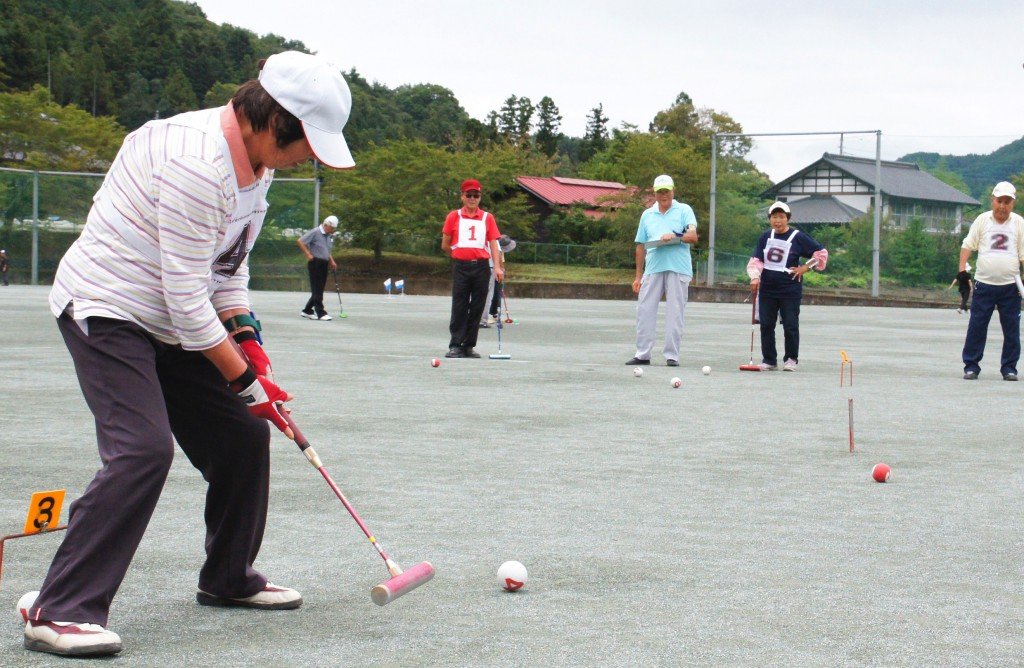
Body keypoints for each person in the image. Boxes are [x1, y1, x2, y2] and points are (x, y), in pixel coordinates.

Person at [24, 51, 355, 657]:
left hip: (176, 319)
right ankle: (60, 608)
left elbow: (227, 271)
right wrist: (247, 383)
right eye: (308, 143)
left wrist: (249, 343)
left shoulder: (257, 166)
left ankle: (228, 577)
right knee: (142, 449)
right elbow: (184, 299)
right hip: (109, 307)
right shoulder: (196, 162)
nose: (310, 157)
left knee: (242, 437)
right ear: (273, 120)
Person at [745, 201, 828, 371]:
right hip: (767, 288)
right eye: (774, 217)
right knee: (766, 325)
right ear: (770, 219)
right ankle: (769, 360)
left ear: (787, 218)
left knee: (790, 325)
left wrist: (805, 267)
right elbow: (757, 260)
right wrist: (754, 277)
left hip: (790, 289)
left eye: (781, 217)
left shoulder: (798, 236)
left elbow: (821, 253)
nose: (778, 221)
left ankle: (791, 359)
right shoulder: (765, 237)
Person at [625, 175, 698, 367]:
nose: (663, 195)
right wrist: (638, 276)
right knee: (644, 310)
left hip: (678, 268)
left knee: (675, 312)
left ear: (673, 191)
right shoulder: (647, 214)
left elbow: (693, 236)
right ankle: (642, 354)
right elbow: (640, 245)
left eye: (667, 191)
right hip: (653, 267)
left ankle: (672, 355)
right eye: (660, 192)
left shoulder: (684, 210)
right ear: (654, 193)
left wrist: (676, 236)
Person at [959, 181, 1024, 381]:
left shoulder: (1018, 223)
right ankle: (971, 365)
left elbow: (1023, 254)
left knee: (1011, 329)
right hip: (984, 284)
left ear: (1012, 203)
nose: (1002, 206)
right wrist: (962, 272)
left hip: (1010, 286)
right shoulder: (982, 220)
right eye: (999, 201)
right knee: (977, 326)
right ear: (992, 200)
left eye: (1007, 202)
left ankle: (1009, 368)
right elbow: (967, 245)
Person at [441, 179, 503, 358]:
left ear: (480, 197)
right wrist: (458, 254)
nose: (472, 198)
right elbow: (445, 244)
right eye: (469, 195)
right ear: (462, 196)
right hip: (461, 266)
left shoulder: (487, 217)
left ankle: (469, 345)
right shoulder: (454, 216)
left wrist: (497, 267)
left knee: (477, 307)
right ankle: (455, 344)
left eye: (476, 195)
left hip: (481, 267)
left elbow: (493, 243)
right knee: (459, 305)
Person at [297, 214, 338, 320]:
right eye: (331, 228)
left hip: (324, 263)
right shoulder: (315, 232)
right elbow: (300, 241)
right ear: (326, 225)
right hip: (315, 262)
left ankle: (307, 310)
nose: (332, 230)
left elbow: (326, 250)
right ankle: (321, 312)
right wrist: (308, 254)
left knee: (319, 288)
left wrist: (331, 261)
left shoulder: (328, 236)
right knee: (318, 288)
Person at [480, 234, 516, 327]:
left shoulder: (484, 238)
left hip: (482, 267)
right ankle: (485, 318)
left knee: (482, 294)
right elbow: (499, 256)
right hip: (491, 269)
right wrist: (501, 269)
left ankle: (490, 315)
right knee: (489, 294)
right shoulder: (494, 242)